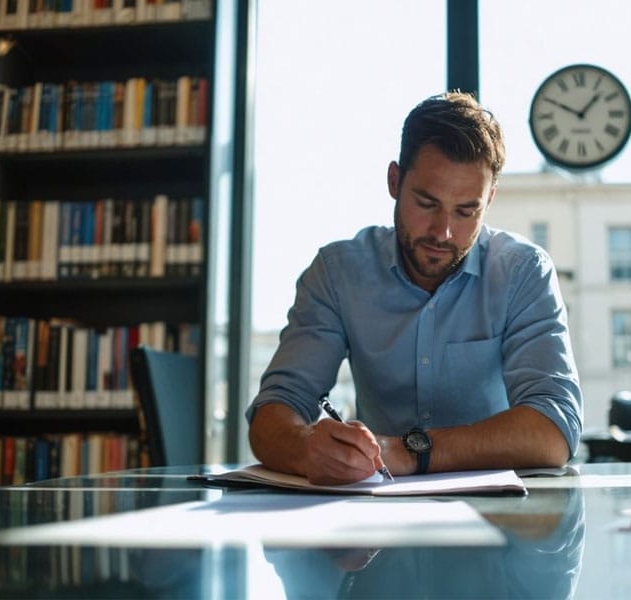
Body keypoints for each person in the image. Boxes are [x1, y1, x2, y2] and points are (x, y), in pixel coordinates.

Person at [246, 91, 583, 485]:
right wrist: (307, 448)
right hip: (375, 518)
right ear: (394, 181)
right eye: (426, 203)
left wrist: (408, 451)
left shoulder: (523, 272)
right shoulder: (338, 274)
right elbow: (273, 412)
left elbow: (555, 428)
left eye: (465, 211)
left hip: (504, 518)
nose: (443, 232)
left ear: (489, 199)